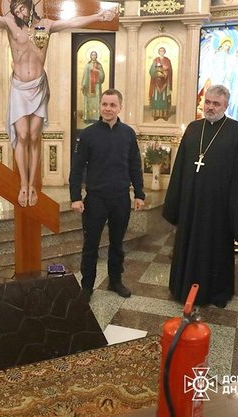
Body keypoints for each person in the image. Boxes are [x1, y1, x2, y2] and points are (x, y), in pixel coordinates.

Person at [0, 0, 115, 207]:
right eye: (16, 10)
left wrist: (97, 16)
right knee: (22, 135)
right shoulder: (10, 24)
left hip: (39, 86)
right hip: (19, 87)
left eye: (21, 8)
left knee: (34, 137)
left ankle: (32, 185)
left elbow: (72, 22)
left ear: (30, 6)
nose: (19, 12)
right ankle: (23, 185)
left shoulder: (46, 25)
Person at [163, 84, 238, 307]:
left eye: (216, 104)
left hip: (218, 207)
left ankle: (216, 292)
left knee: (215, 248)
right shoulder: (194, 128)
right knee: (188, 244)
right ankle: (182, 288)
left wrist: (237, 212)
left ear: (226, 106)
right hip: (191, 203)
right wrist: (175, 200)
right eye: (208, 102)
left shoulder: (236, 131)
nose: (211, 107)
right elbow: (180, 168)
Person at [69, 89, 145, 302]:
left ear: (120, 107)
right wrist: (75, 197)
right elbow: (77, 168)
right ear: (100, 106)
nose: (108, 109)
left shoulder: (128, 134)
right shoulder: (88, 134)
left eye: (112, 105)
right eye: (104, 104)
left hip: (121, 198)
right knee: (90, 245)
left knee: (117, 244)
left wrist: (139, 194)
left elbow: (135, 165)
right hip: (96, 199)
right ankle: (87, 286)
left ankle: (115, 281)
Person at [148, 46, 173, 121]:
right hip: (156, 82)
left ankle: (164, 115)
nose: (161, 52)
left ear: (164, 52)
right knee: (156, 98)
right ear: (158, 52)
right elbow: (151, 70)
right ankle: (156, 115)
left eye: (163, 51)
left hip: (165, 82)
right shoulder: (155, 60)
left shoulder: (167, 60)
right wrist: (156, 72)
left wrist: (165, 72)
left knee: (164, 98)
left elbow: (170, 70)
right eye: (160, 51)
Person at [81, 51, 105, 123]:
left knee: (97, 101)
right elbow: (85, 75)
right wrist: (83, 85)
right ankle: (88, 118)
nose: (94, 56)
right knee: (88, 101)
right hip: (89, 87)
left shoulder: (99, 65)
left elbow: (102, 76)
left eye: (95, 55)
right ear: (90, 56)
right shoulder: (88, 65)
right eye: (92, 55)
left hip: (97, 86)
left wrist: (97, 71)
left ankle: (97, 117)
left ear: (97, 56)